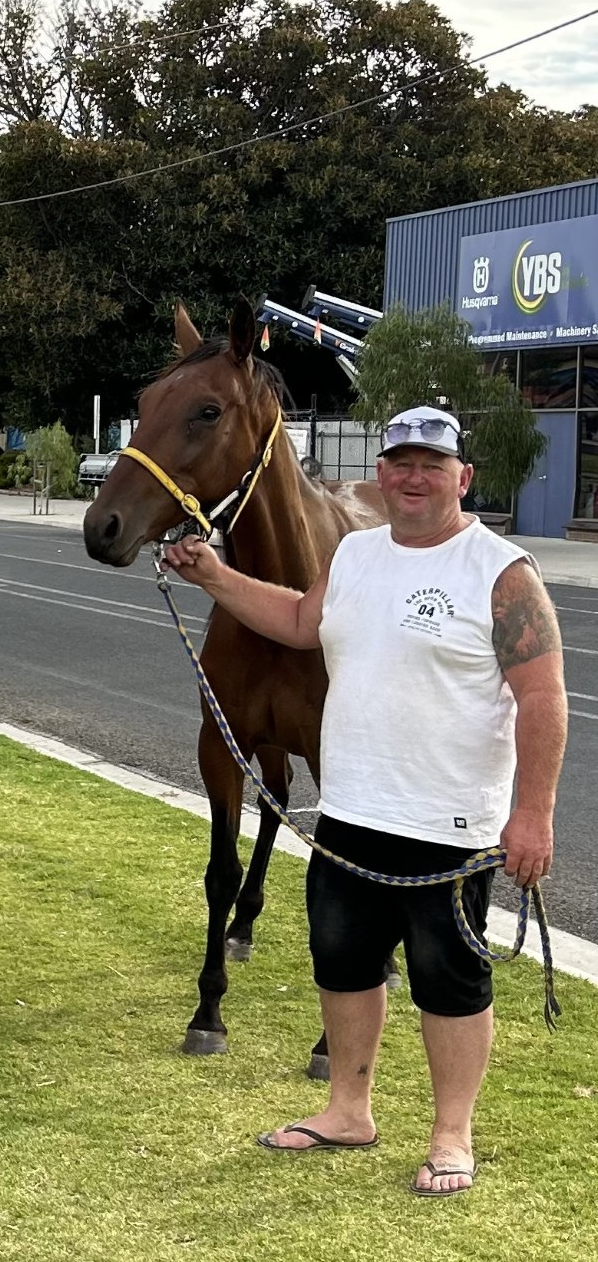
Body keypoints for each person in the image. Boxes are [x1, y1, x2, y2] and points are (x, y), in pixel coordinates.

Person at [162, 406, 567, 1198]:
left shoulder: (500, 570)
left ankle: (452, 1135)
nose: (414, 478)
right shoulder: (354, 554)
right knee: (345, 969)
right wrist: (212, 575)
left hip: (449, 825)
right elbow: (300, 621)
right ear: (381, 471)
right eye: (401, 463)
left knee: (449, 982)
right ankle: (349, 1109)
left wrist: (533, 813)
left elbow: (544, 696)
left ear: (463, 478)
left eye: (433, 465)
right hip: (348, 814)